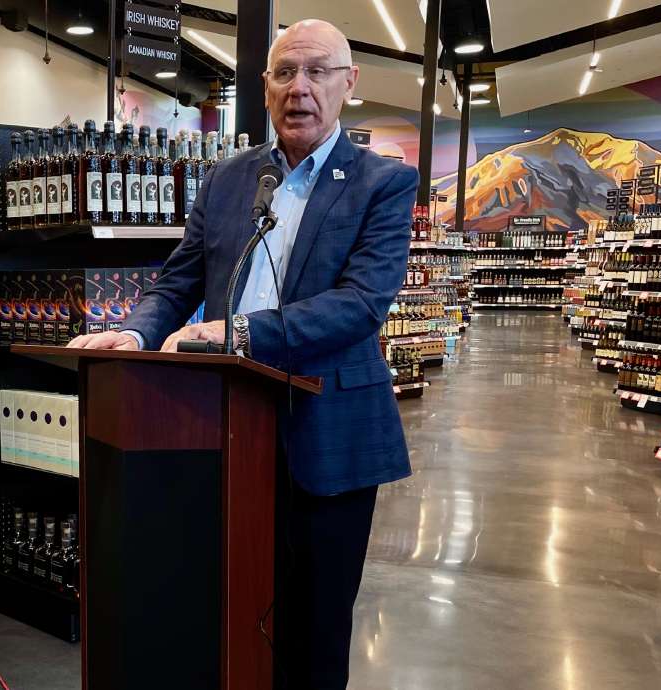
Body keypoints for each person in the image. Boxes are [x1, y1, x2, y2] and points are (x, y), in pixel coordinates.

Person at [68, 19, 416, 689]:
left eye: (317, 72)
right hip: (220, 430)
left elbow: (361, 303)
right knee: (227, 605)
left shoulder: (382, 183)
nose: (300, 88)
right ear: (264, 86)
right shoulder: (230, 178)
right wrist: (135, 334)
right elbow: (177, 282)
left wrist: (239, 333)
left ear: (349, 83)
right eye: (285, 73)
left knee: (315, 628)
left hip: (330, 434)